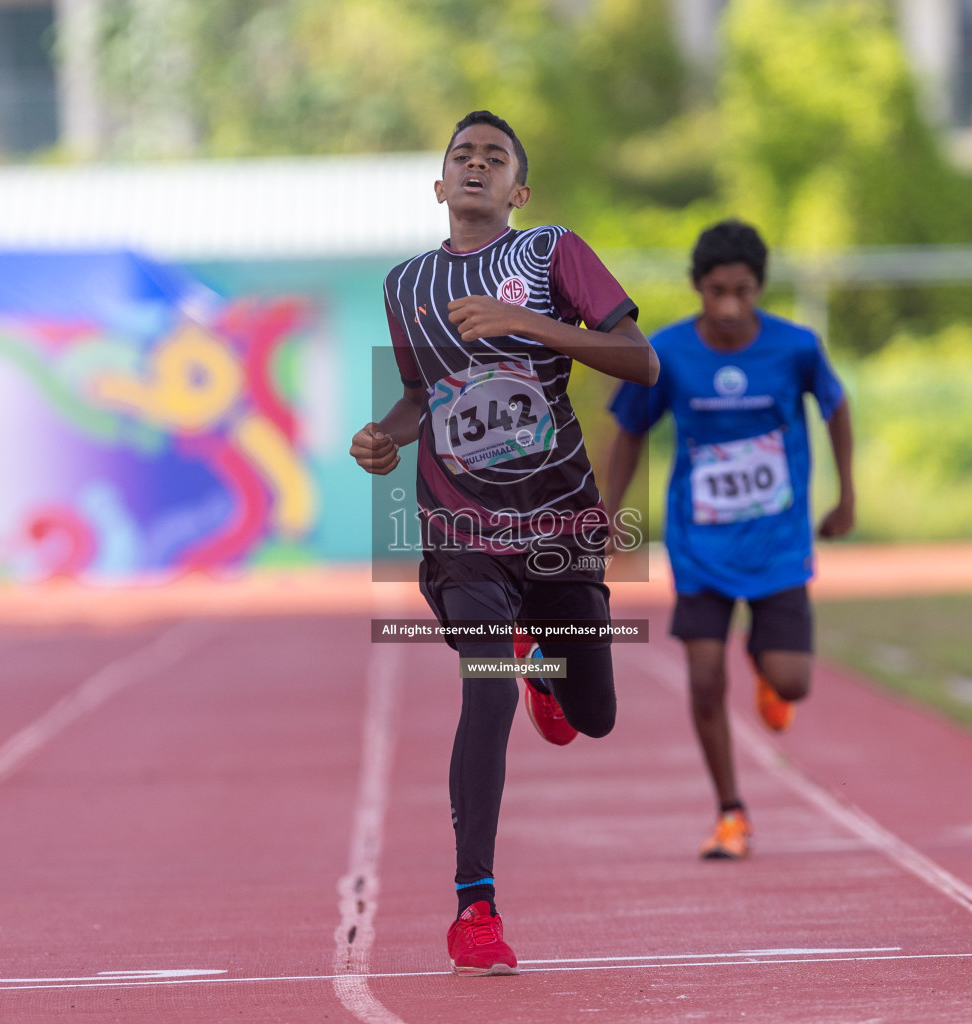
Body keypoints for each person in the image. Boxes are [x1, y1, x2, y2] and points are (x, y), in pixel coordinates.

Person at [350, 110, 657, 976]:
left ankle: (548, 671)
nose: (476, 165)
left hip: (558, 523)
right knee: (484, 692)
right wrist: (386, 435)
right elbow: (421, 394)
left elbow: (640, 360)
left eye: (495, 158)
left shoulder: (552, 252)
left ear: (517, 190)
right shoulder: (405, 284)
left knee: (592, 719)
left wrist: (535, 330)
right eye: (462, 156)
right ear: (441, 185)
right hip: (461, 532)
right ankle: (474, 908)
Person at [605, 219, 854, 861]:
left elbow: (836, 406)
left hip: (777, 544)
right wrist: (609, 512)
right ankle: (730, 813)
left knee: (793, 682)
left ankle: (770, 675)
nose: (729, 307)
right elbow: (629, 429)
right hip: (700, 548)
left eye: (742, 292)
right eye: (716, 292)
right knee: (704, 676)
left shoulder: (795, 348)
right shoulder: (667, 354)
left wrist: (846, 495)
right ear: (697, 288)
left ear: (760, 287)